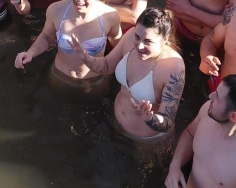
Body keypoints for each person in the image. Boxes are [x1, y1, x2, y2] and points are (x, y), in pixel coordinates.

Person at [73, 7, 185, 139]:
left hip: (145, 139)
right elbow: (107, 66)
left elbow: (167, 122)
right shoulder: (130, 35)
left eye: (148, 41)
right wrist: (86, 58)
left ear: (165, 40)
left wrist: (149, 118)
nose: (140, 46)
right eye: (137, 37)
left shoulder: (174, 67)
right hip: (114, 121)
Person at [14, 0, 121, 89]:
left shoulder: (110, 16)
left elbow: (119, 48)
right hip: (60, 77)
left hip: (95, 81)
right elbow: (46, 36)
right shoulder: (56, 10)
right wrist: (30, 53)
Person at [165, 75, 236, 188]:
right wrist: (175, 166)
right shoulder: (207, 111)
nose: (210, 96)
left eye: (217, 97)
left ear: (234, 117)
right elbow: (189, 134)